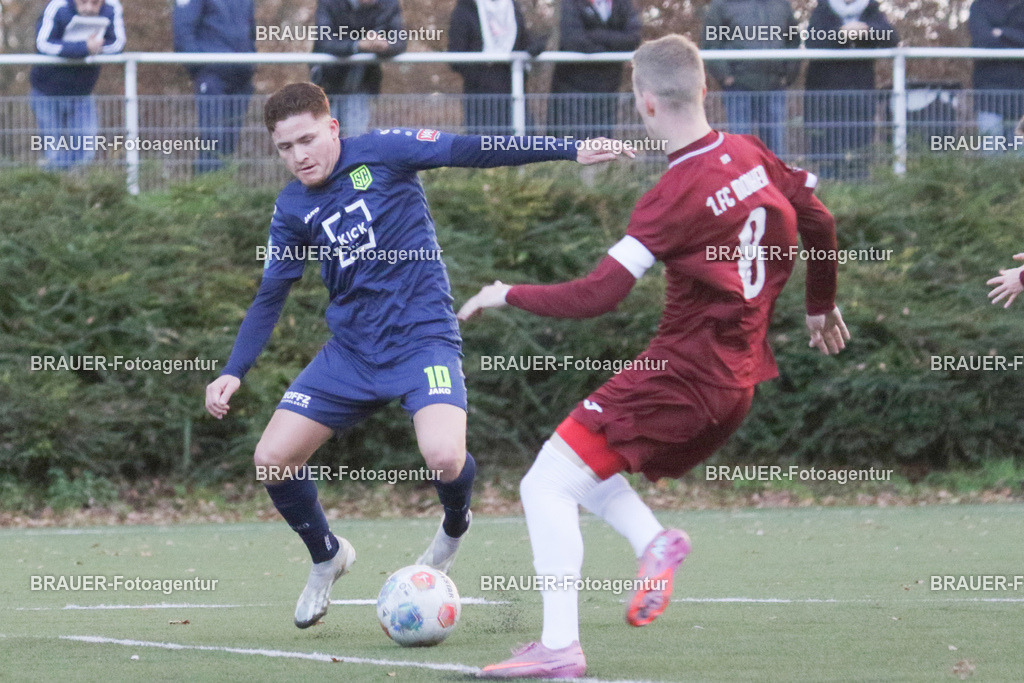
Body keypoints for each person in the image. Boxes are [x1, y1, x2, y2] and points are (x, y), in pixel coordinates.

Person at [460, 35, 850, 679]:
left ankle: (559, 647)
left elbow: (598, 295)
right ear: (705, 89)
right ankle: (654, 542)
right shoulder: (750, 153)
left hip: (682, 377)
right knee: (582, 468)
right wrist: (819, 304)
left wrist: (506, 293)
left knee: (544, 484)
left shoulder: (672, 195)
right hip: (736, 385)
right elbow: (819, 219)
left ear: (644, 104)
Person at [204, 82, 627, 630]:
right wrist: (233, 370)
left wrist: (568, 149)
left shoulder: (385, 151)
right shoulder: (291, 207)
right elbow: (272, 293)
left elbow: (471, 150)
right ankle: (327, 555)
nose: (298, 156)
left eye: (307, 140)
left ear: (333, 127)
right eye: (285, 147)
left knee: (444, 457)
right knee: (271, 460)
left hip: (422, 340)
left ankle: (454, 526)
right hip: (351, 354)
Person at [804, 0, 898, 178]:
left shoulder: (870, 10)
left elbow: (892, 38)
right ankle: (830, 186)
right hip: (825, 96)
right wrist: (842, 33)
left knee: (859, 147)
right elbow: (813, 41)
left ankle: (859, 186)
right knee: (828, 152)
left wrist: (867, 30)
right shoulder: (823, 10)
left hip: (859, 92)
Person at [30, 0, 126, 170]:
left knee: (86, 151)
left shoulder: (112, 7)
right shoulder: (57, 7)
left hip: (82, 92)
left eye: (95, 3)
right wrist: (84, 48)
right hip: (47, 91)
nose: (88, 8)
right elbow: (43, 43)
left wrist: (95, 48)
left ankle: (74, 183)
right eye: (83, 2)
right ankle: (54, 182)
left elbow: (117, 43)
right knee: (53, 152)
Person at [701, 0, 800, 156]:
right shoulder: (723, 4)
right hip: (738, 87)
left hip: (774, 85)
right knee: (740, 148)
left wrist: (788, 75)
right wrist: (725, 76)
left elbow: (793, 41)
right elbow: (710, 43)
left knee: (775, 150)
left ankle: (771, 173)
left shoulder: (781, 4)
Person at [173, 0, 256, 173]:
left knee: (229, 141)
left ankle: (222, 186)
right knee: (212, 138)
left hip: (241, 76)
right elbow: (183, 32)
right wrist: (202, 66)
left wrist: (250, 62)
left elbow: (250, 31)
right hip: (212, 76)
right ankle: (205, 186)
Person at [547, 0, 642, 139]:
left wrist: (596, 35)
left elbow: (633, 39)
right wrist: (610, 46)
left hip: (608, 88)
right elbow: (573, 40)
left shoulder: (623, 4)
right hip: (571, 89)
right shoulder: (572, 3)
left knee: (602, 142)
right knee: (571, 142)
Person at [448, 0, 546, 134]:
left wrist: (535, 46)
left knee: (521, 141)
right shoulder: (466, 9)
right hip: (480, 99)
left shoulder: (512, 8)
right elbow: (456, 56)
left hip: (513, 93)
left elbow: (523, 41)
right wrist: (481, 76)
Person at [311, 0, 407, 137]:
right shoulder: (329, 3)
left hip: (363, 83)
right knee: (326, 137)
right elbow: (324, 41)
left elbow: (399, 41)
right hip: (327, 83)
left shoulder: (389, 4)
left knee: (355, 138)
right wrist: (358, 45)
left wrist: (385, 46)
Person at [969, 0, 1024, 142]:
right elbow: (982, 40)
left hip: (1021, 98)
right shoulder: (980, 6)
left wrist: (1002, 33)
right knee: (991, 151)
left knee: (1020, 153)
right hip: (989, 97)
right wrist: (1016, 40)